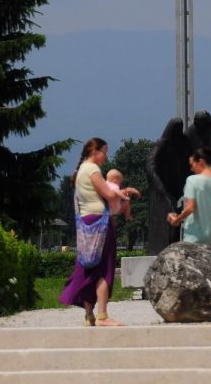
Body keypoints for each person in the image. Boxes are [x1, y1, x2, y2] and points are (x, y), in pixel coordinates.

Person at [59, 138, 137, 326]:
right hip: (99, 223)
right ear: (95, 151)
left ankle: (89, 315)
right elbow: (108, 194)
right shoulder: (92, 170)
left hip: (86, 222)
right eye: (105, 152)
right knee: (104, 268)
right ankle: (102, 315)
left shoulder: (80, 171)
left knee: (89, 268)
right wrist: (123, 193)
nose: (106, 156)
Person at [167, 146, 211, 252]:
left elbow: (190, 208)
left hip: (195, 237)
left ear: (201, 161)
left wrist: (176, 220)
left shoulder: (192, 180)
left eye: (192, 164)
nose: (191, 168)